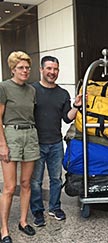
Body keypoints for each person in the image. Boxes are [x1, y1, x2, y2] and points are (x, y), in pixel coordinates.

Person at [30, 56, 82, 227]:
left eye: (55, 69)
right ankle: (37, 211)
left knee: (56, 179)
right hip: (36, 143)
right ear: (41, 69)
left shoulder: (62, 93)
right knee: (36, 181)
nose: (52, 72)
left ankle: (54, 207)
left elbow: (67, 119)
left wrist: (76, 106)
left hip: (56, 143)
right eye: (49, 68)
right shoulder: (32, 90)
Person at [0, 51, 40, 243]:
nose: (25, 71)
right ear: (13, 69)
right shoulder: (4, 87)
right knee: (9, 187)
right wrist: (2, 144)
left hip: (30, 135)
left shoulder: (32, 90)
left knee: (26, 183)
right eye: (21, 68)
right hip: (12, 135)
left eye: (27, 67)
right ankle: (4, 230)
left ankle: (23, 221)